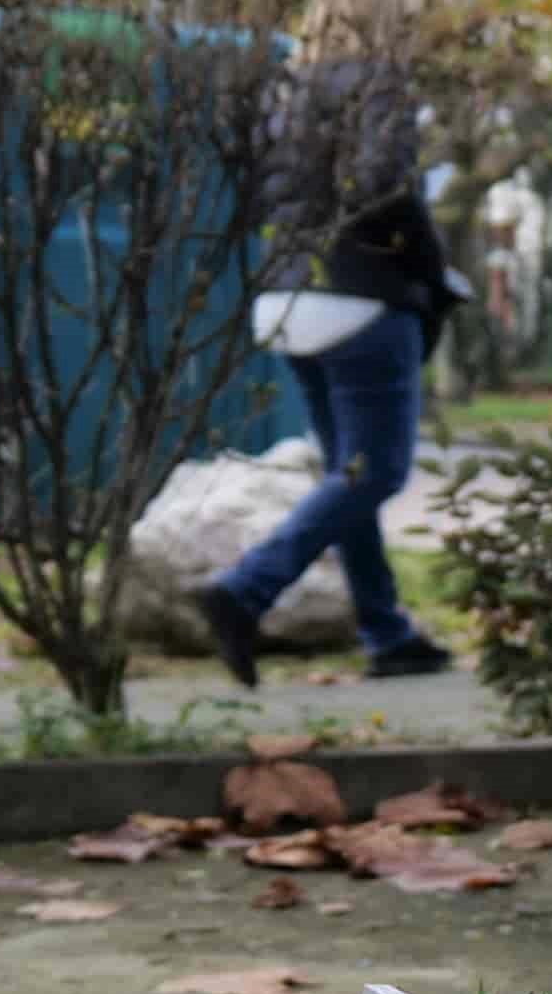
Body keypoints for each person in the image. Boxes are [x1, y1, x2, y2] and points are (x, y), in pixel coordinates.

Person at [197, 84, 462, 686]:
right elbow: (386, 193)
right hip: (361, 300)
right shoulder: (377, 90)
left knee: (350, 472)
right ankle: (245, 589)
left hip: (288, 297)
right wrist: (434, 277)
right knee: (375, 472)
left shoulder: (282, 93)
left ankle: (387, 634)